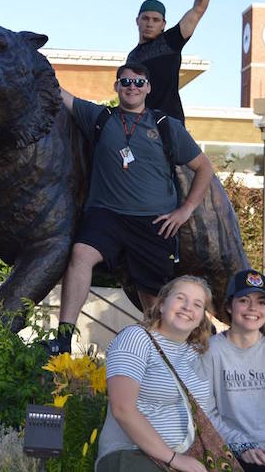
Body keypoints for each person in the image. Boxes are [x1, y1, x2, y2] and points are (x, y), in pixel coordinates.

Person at [50, 63, 215, 354]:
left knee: (153, 301)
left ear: (148, 88)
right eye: (125, 81)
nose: (132, 86)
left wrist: (186, 209)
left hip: (155, 222)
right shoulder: (100, 117)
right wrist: (35, 61)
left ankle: (161, 355)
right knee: (80, 255)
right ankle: (63, 338)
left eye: (139, 82)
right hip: (107, 214)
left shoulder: (165, 126)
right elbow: (58, 93)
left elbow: (204, 168)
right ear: (116, 87)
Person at [97, 275, 213, 472]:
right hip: (133, 455)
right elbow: (122, 408)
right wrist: (174, 458)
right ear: (161, 305)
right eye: (180, 298)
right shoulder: (136, 338)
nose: (187, 307)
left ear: (201, 317)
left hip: (185, 456)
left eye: (197, 304)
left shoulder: (197, 352)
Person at [199, 269, 265, 471]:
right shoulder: (211, 351)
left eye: (261, 302)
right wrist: (242, 446)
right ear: (229, 306)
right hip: (226, 447)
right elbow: (206, 413)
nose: (253, 308)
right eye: (244, 300)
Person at [127, 0, 223, 123]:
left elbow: (198, 9)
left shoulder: (170, 41)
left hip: (170, 125)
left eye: (155, 20)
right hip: (139, 126)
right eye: (145, 18)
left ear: (163, 24)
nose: (149, 23)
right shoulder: (132, 57)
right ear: (137, 21)